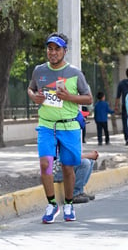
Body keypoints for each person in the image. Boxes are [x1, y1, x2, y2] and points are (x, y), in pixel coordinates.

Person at [27, 32, 93, 223]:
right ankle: (51, 204)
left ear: (65, 51)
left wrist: (69, 98)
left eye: (57, 49)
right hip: (46, 125)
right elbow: (30, 88)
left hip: (69, 126)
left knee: (67, 167)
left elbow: (88, 98)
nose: (53, 52)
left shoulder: (74, 73)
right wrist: (33, 96)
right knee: (45, 164)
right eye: (50, 48)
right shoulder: (39, 71)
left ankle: (69, 203)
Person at [115, 68, 128, 146]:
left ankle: (127, 139)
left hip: (125, 105)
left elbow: (118, 96)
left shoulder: (121, 83)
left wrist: (116, 106)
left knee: (125, 122)